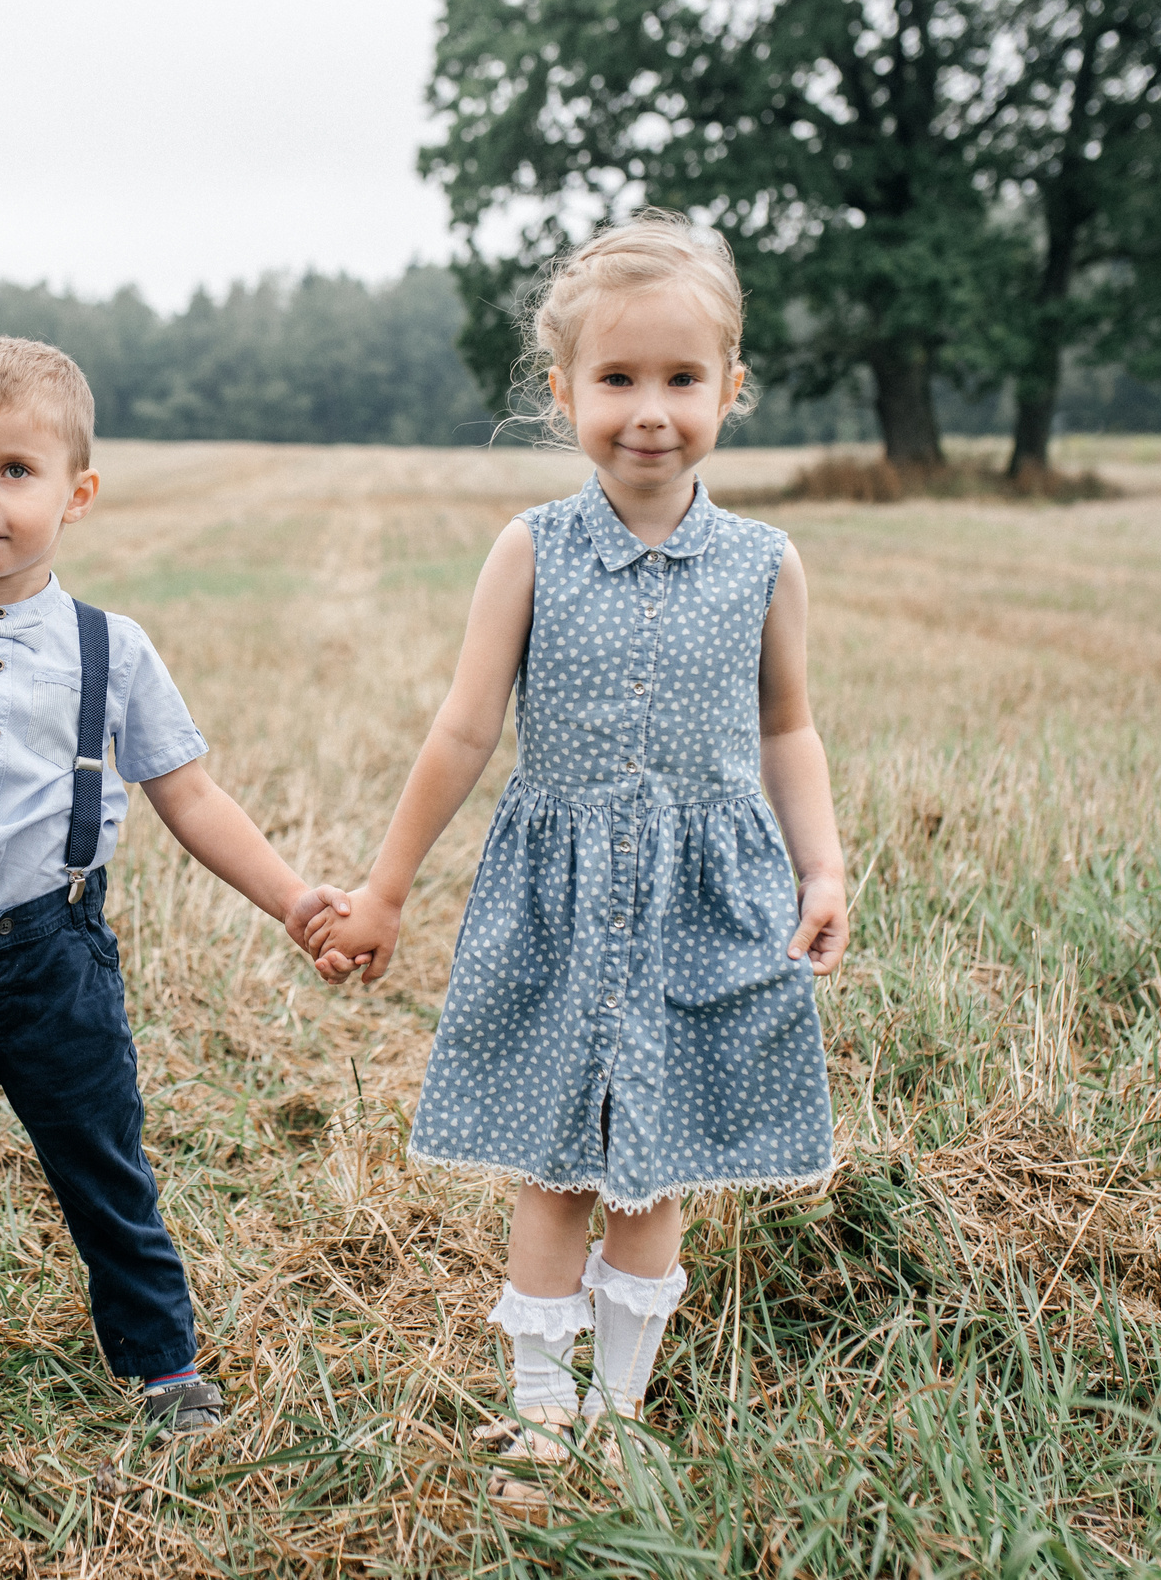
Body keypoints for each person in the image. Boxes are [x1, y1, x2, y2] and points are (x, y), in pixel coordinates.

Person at [305, 211, 848, 1504]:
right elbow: (462, 731)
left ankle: (619, 1406)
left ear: (733, 388)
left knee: (651, 1172)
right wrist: (384, 887)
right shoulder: (531, 550)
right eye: (616, 379)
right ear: (562, 393)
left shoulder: (766, 564)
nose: (649, 410)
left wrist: (823, 867)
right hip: (560, 900)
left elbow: (790, 727)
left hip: (701, 906)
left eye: (681, 378)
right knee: (554, 1163)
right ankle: (543, 1409)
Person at [0, 336, 348, 1476]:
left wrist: (293, 896)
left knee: (106, 1166)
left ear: (77, 492)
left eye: (15, 470)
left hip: (59, 950)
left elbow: (190, 794)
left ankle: (165, 1370)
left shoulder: (115, 649)